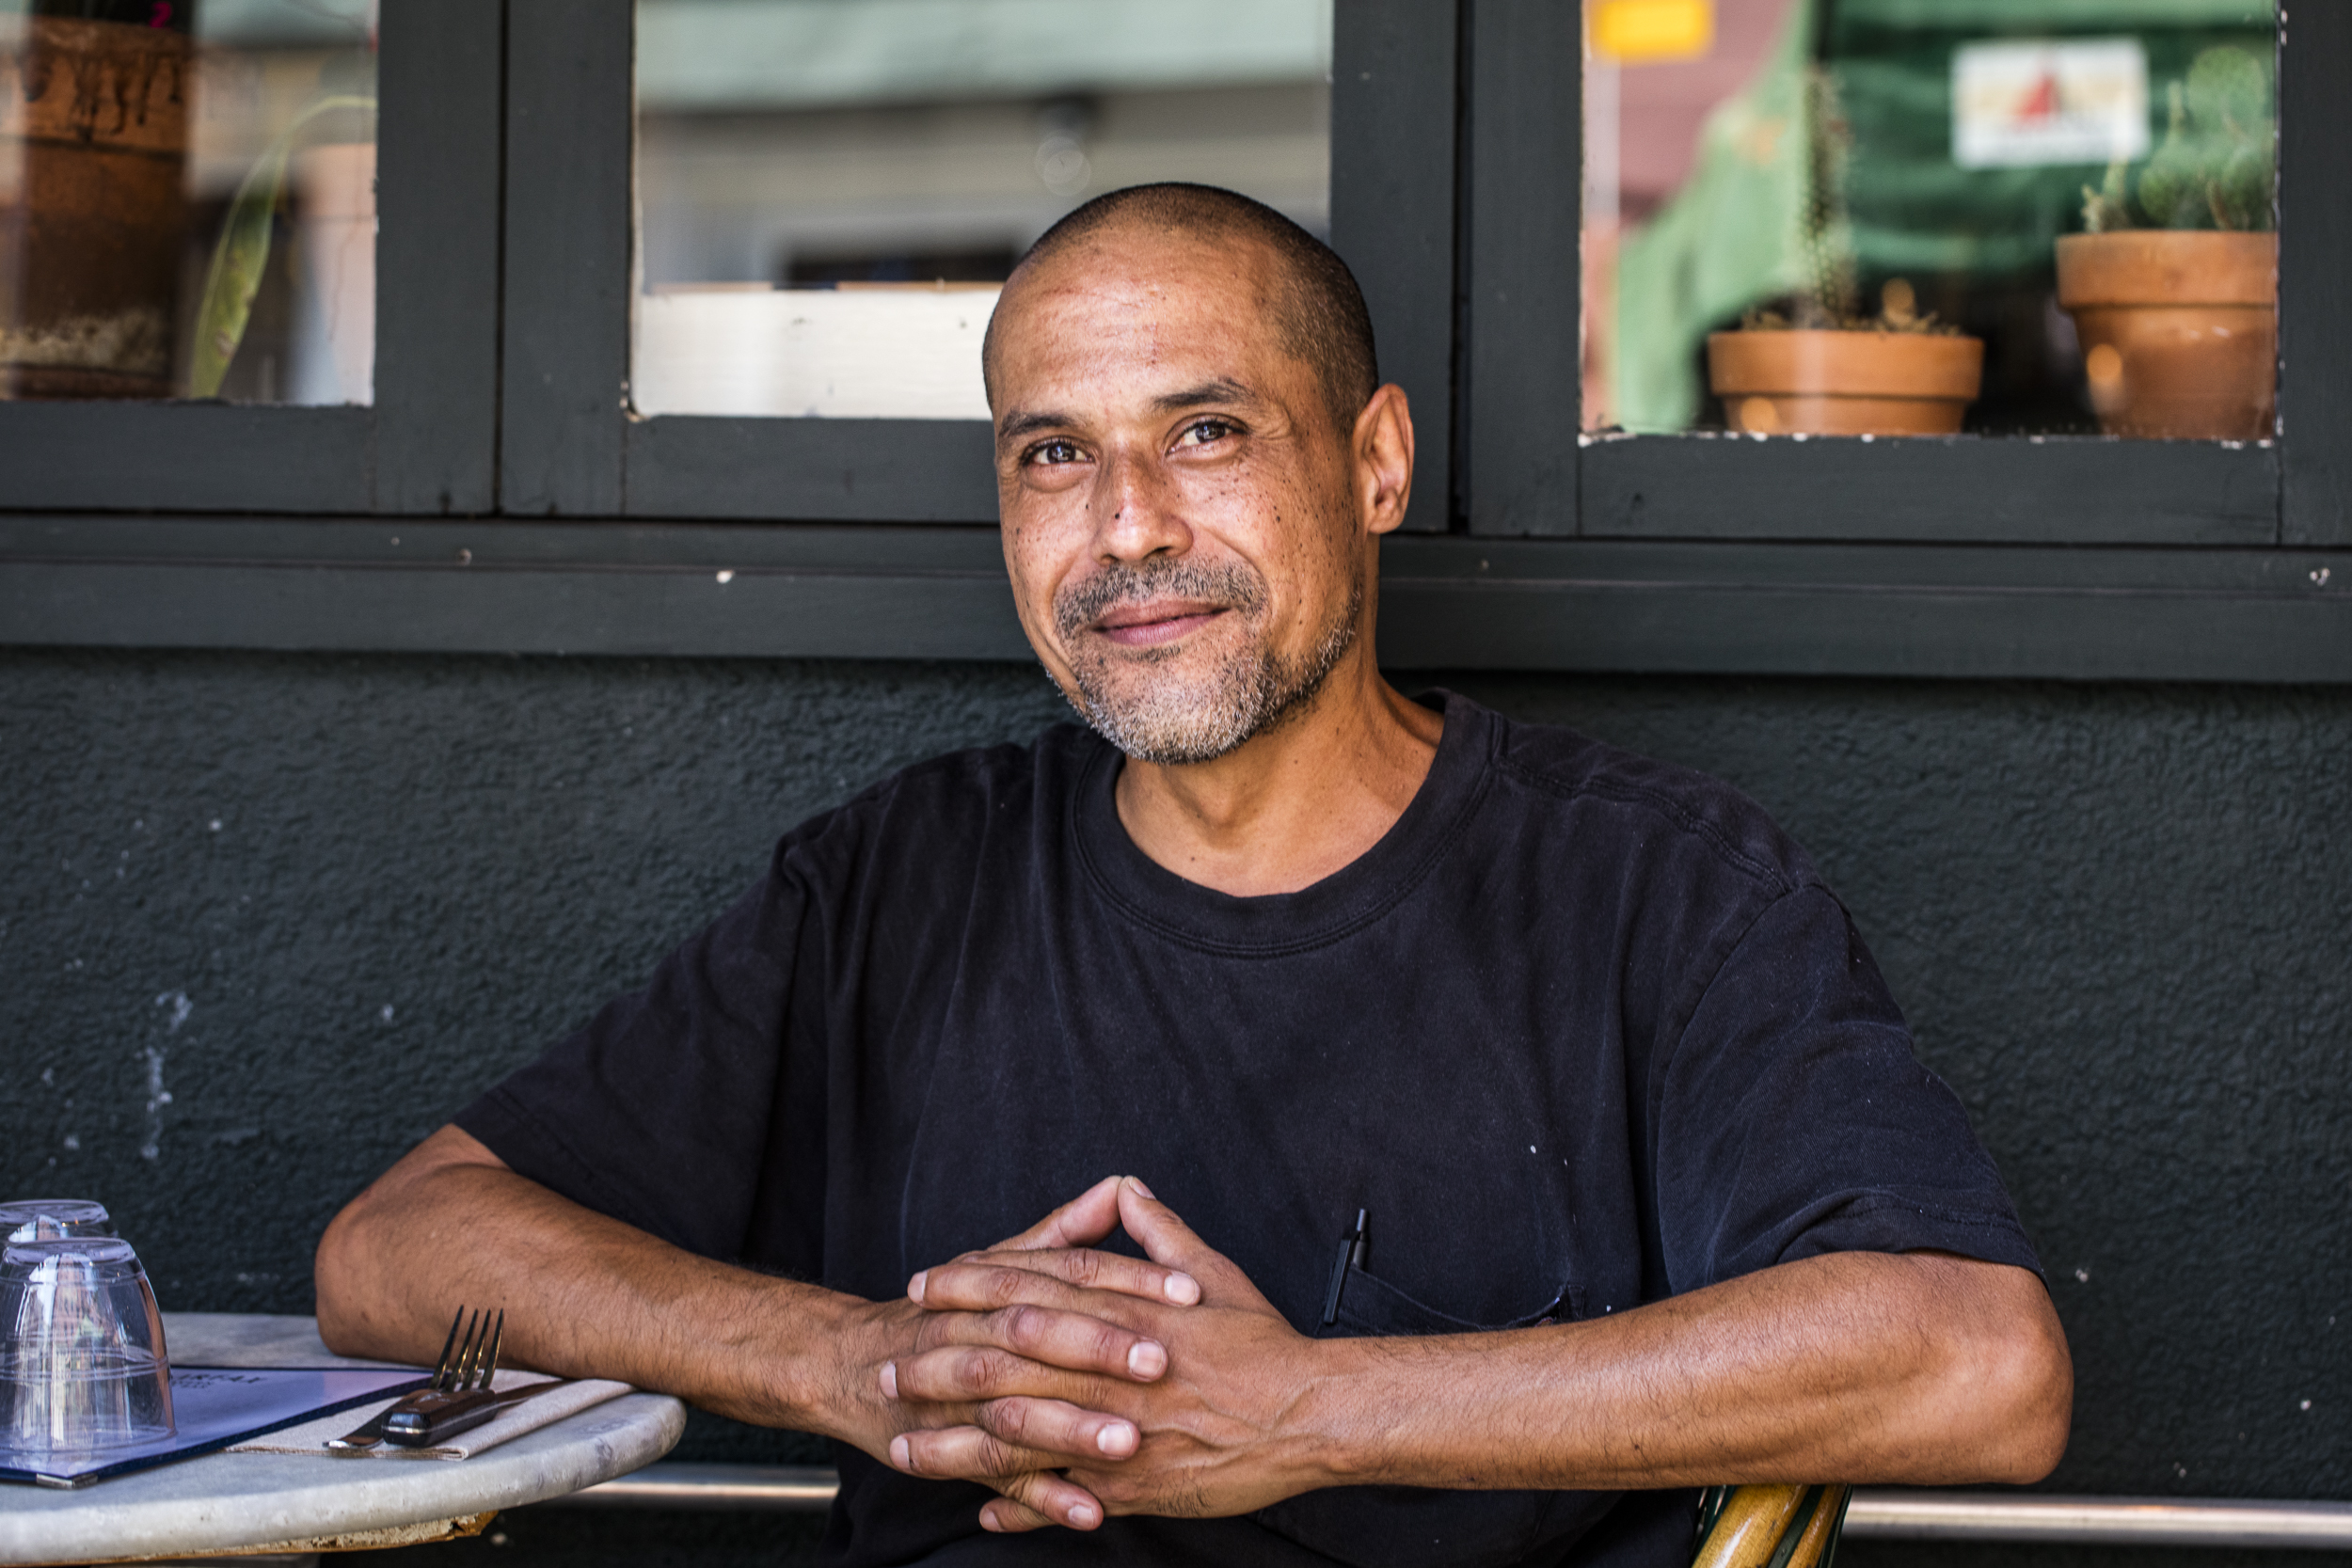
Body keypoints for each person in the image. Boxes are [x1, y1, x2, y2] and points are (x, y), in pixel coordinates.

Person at [315, 183, 2071, 1567]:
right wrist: (852, 1367)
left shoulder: (1649, 896)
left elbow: (1975, 1364)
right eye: (1054, 453)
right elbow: (396, 1255)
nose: (1128, 522)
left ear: (1375, 462)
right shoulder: (904, 882)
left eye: (1208, 430)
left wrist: (1309, 1413)